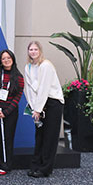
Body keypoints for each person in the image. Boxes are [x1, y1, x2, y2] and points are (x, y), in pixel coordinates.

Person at [24, 41, 64, 178]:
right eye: (31, 49)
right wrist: (34, 108)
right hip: (38, 106)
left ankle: (45, 169)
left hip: (52, 103)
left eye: (35, 49)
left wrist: (38, 109)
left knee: (50, 137)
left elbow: (44, 89)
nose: (33, 52)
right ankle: (35, 165)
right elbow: (28, 89)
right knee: (39, 136)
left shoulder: (46, 65)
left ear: (40, 51)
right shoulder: (28, 67)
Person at [0, 49, 24, 175]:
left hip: (10, 112)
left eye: (8, 58)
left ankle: (6, 164)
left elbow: (18, 96)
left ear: (12, 59)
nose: (6, 60)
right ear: (0, 61)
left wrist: (6, 112)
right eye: (4, 58)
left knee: (8, 138)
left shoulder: (18, 76)